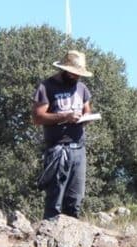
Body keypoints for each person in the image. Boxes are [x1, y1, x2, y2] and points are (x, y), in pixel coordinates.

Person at [32, 50, 95, 219]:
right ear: (64, 69)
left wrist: (86, 118)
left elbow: (87, 110)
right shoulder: (46, 87)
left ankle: (71, 238)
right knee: (55, 199)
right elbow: (37, 117)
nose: (76, 77)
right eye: (73, 73)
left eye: (79, 74)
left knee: (75, 199)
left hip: (78, 149)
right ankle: (49, 235)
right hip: (57, 149)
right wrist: (64, 116)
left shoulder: (82, 88)